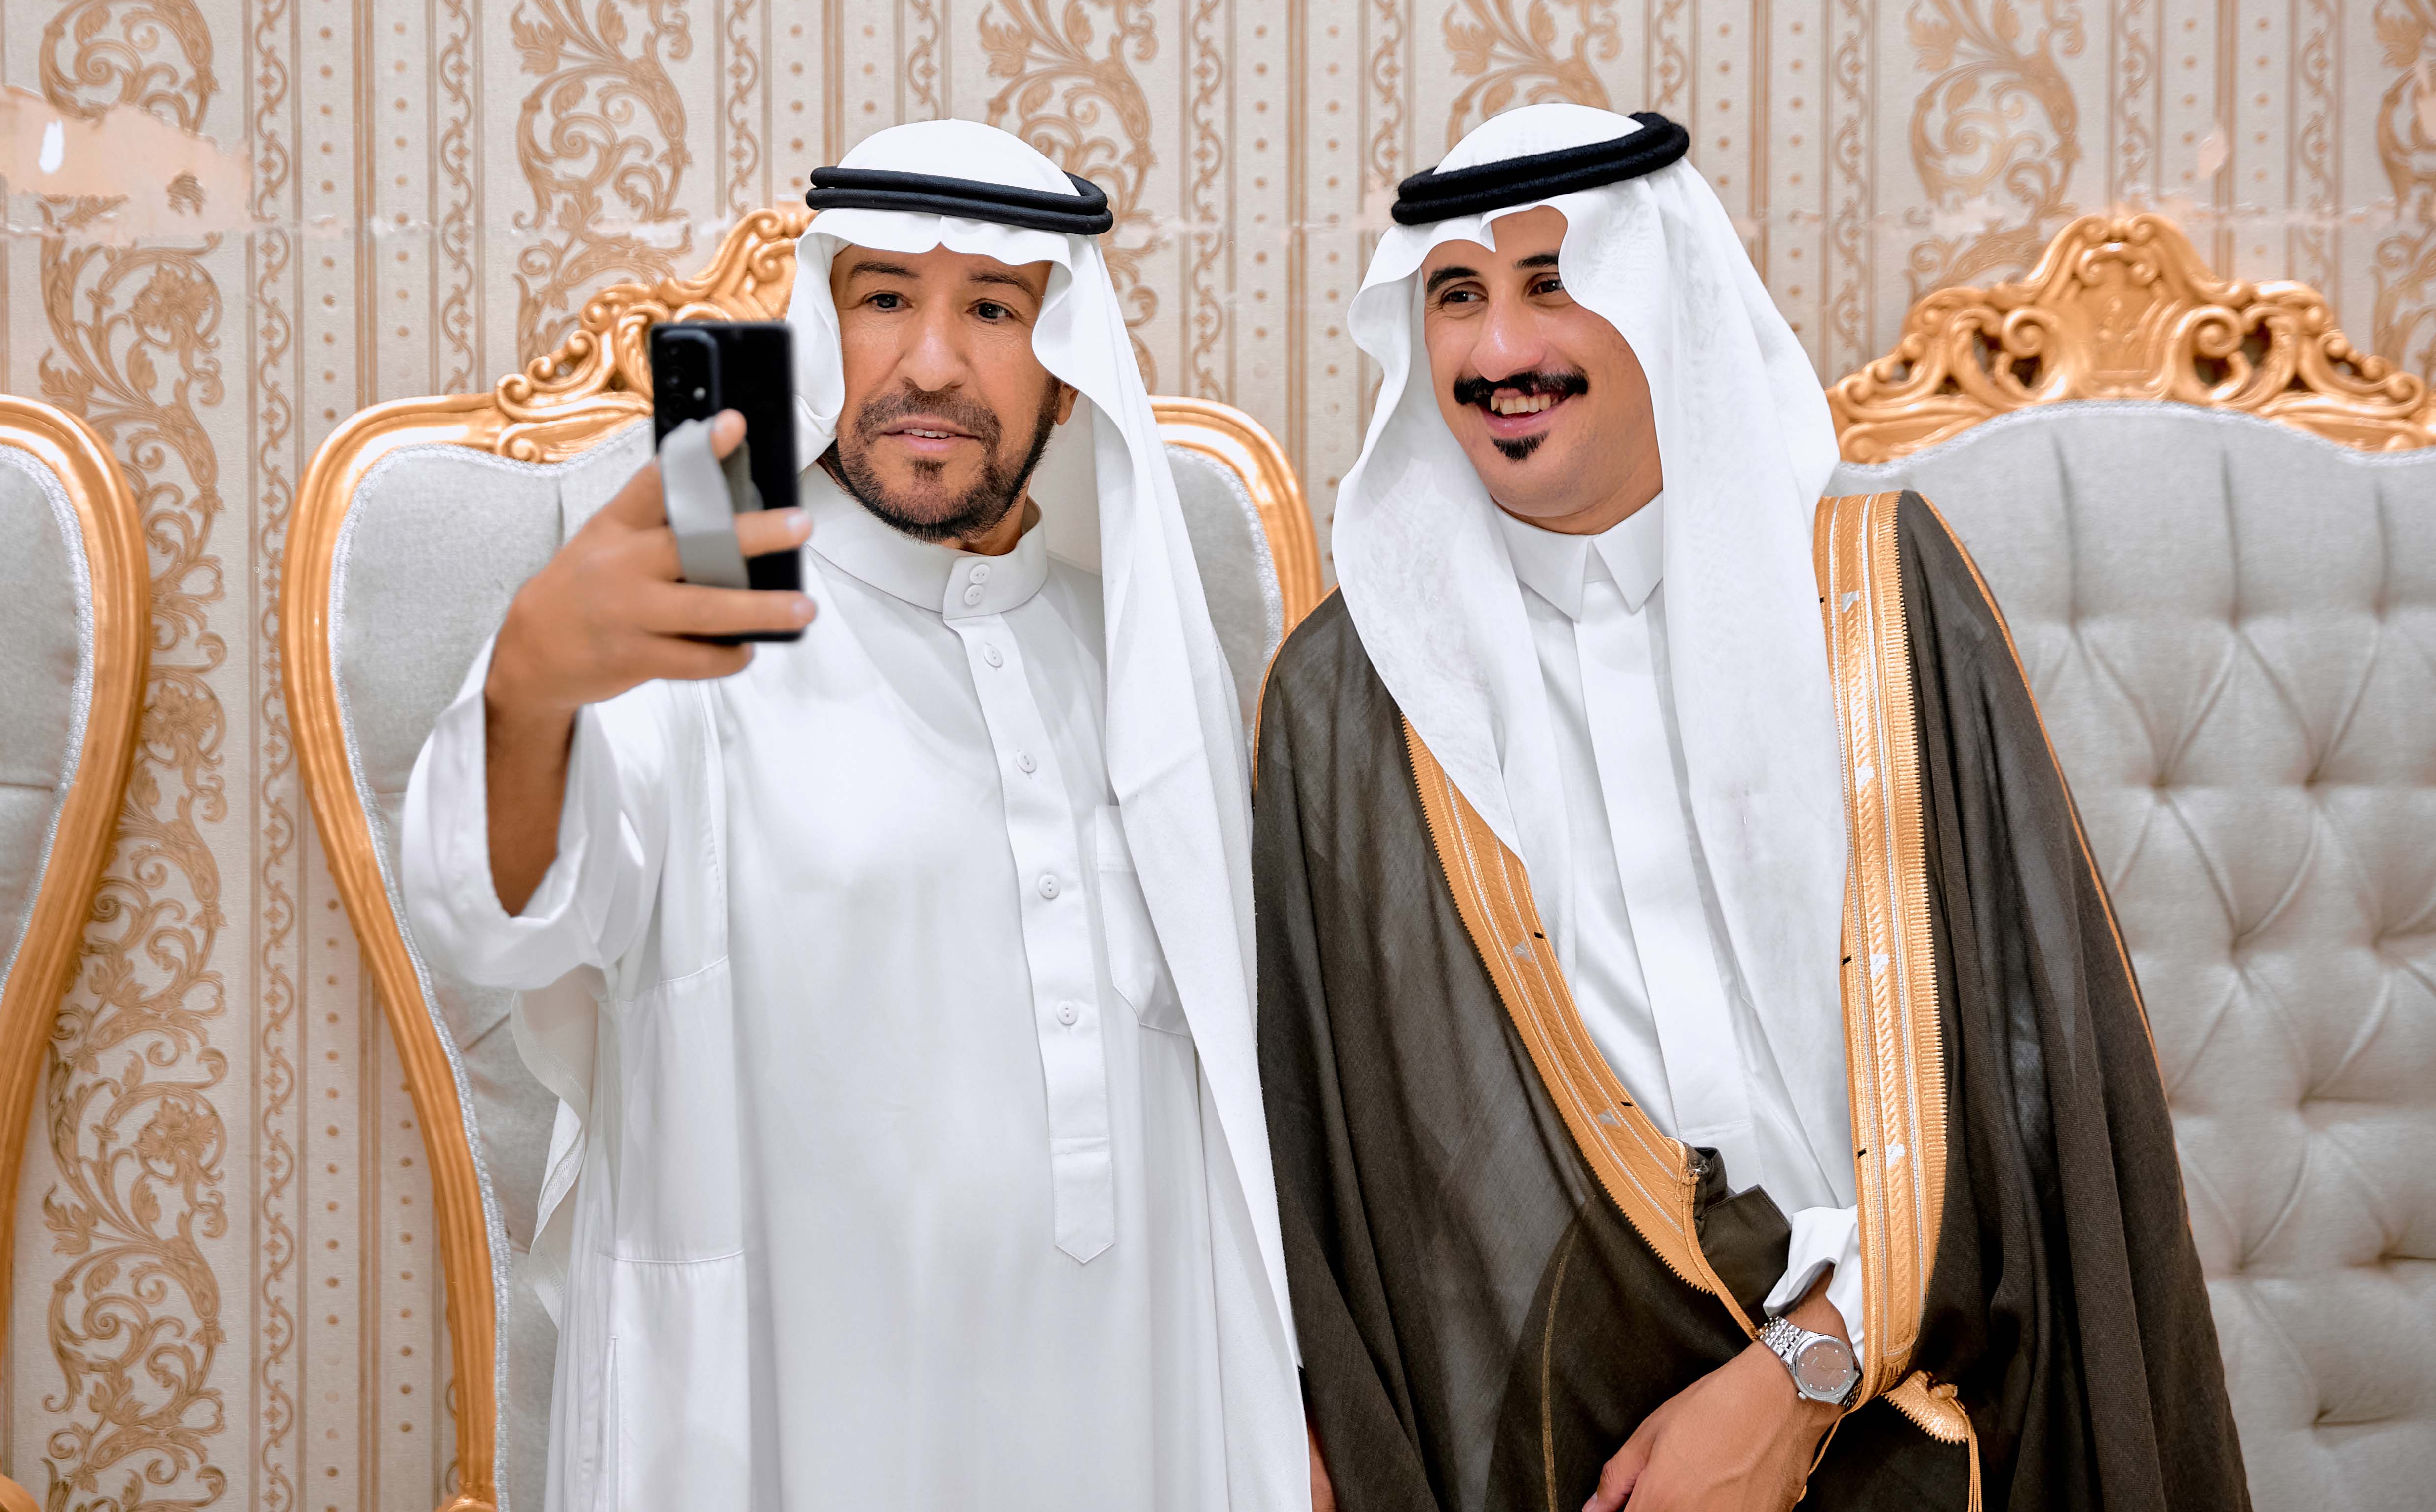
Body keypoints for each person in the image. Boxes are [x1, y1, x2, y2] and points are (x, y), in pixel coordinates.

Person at [1255, 103, 2249, 1512]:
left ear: (1663, 298)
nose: (1498, 351)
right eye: (1456, 295)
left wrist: (1804, 1367)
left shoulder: (1881, 603)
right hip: (1561, 1454)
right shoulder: (1348, 699)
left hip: (1926, 1401)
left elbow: (2032, 1084)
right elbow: (1341, 1196)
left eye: (1554, 282)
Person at [401, 120, 1304, 1512]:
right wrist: (529, 688)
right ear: (824, 331)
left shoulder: (1130, 656)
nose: (930, 362)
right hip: (790, 1426)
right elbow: (495, 920)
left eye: (992, 309)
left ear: (1068, 374)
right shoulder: (690, 634)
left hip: (1126, 1414)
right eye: (884, 297)